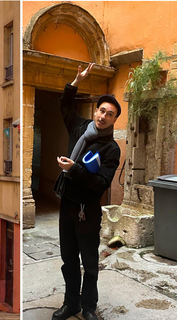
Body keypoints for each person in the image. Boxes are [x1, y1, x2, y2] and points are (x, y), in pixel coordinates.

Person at [52, 63, 121, 320]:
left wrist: (74, 169)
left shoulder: (111, 149)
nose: (103, 116)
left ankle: (89, 307)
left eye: (109, 114)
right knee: (68, 260)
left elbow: (101, 183)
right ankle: (72, 304)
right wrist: (76, 81)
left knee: (90, 264)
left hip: (88, 210)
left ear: (114, 120)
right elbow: (64, 105)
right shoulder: (80, 128)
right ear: (95, 111)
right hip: (68, 204)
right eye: (101, 110)